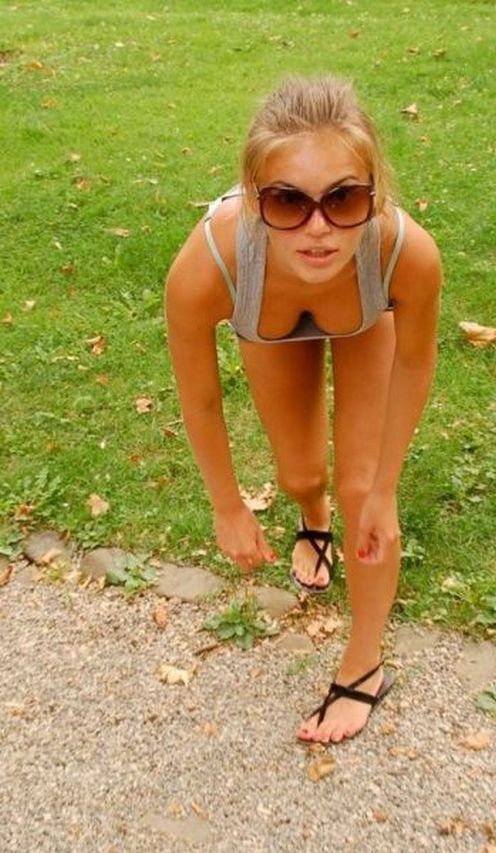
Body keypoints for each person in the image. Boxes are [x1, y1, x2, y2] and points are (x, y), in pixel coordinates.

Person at [165, 75, 441, 744]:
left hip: (364, 316)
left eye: (343, 197)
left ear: (375, 193)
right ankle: (313, 516)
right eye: (289, 200)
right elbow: (200, 397)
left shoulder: (405, 253)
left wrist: (383, 489)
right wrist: (227, 505)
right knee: (300, 475)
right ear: (255, 199)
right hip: (266, 317)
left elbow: (413, 362)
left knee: (361, 490)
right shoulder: (211, 265)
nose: (319, 228)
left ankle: (364, 665)